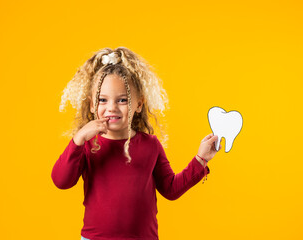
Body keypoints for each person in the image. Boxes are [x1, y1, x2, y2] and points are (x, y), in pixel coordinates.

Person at [51, 47, 222, 240]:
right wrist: (78, 139)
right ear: (92, 105)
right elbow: (61, 181)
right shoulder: (87, 145)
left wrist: (201, 159)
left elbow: (171, 189)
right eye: (102, 100)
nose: (111, 108)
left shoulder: (150, 144)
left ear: (139, 104)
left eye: (122, 100)